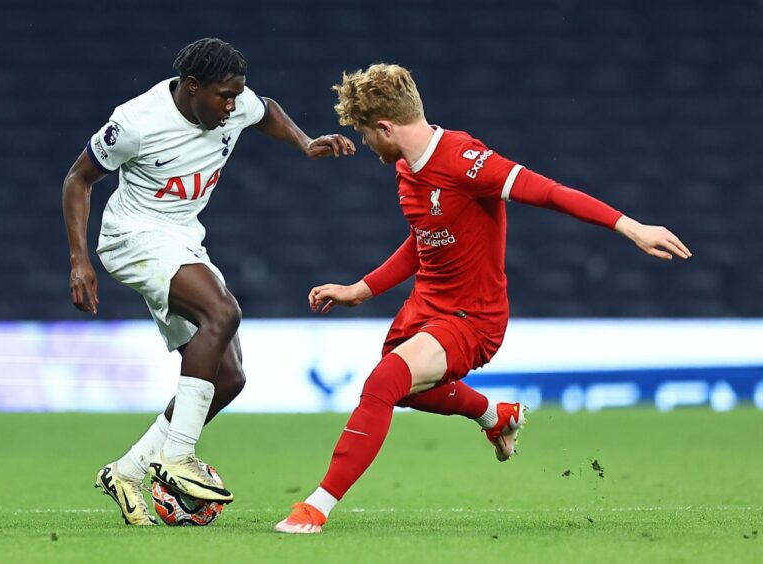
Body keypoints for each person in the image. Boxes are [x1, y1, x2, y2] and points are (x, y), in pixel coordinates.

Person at [274, 63, 691, 534]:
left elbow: (549, 192)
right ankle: (497, 415)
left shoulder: (465, 159)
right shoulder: (407, 168)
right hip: (425, 307)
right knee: (408, 393)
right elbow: (422, 237)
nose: (367, 144)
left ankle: (317, 506)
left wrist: (631, 227)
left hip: (472, 316)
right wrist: (361, 289)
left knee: (383, 383)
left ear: (386, 127)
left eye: (367, 134)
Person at [62, 38, 356, 526]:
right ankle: (178, 456)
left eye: (237, 94)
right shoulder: (135, 122)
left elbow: (267, 111)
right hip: (132, 237)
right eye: (224, 96)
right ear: (191, 88)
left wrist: (305, 143)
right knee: (222, 312)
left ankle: (129, 470)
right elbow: (78, 178)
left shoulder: (234, 104)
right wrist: (79, 260)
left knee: (230, 377)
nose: (233, 105)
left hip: (182, 239)